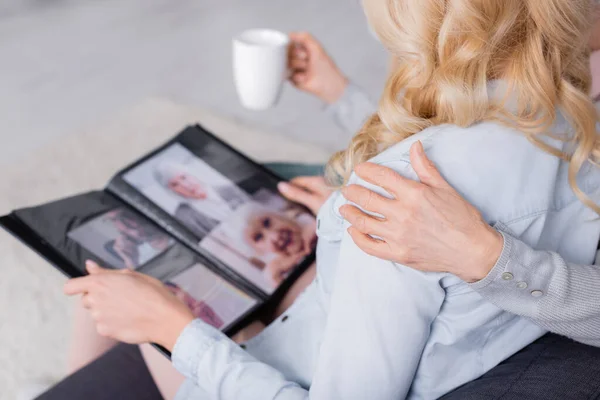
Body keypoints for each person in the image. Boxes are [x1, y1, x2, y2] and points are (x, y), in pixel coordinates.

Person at [43, 1, 600, 400]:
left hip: (281, 371)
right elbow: (474, 145)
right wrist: (341, 98)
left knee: (121, 275)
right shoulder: (577, 114)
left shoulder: (395, 199)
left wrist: (172, 329)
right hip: (383, 327)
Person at [153, 161, 249, 238]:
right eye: (175, 184)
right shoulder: (183, 216)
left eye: (183, 177)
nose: (185, 185)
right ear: (170, 191)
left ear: (191, 174)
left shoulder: (227, 188)